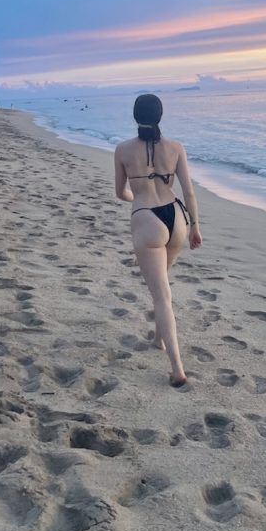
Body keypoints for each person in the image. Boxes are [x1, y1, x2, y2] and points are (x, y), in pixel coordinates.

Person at [114, 94, 202, 387]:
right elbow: (188, 192)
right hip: (176, 217)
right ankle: (157, 339)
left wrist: (136, 201)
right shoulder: (176, 148)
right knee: (163, 281)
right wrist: (195, 227)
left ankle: (177, 369)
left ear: (135, 116)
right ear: (160, 115)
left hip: (146, 218)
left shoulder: (123, 150)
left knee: (161, 296)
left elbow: (120, 192)